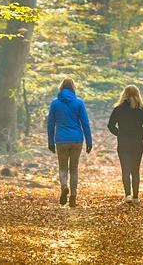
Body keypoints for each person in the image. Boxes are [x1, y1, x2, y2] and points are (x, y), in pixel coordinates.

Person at [46, 78, 93, 208]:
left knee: (62, 167)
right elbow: (85, 123)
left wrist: (50, 141)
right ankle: (73, 196)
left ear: (61, 88)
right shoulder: (79, 103)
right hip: (77, 139)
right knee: (74, 169)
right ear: (73, 88)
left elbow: (50, 124)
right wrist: (89, 141)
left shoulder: (55, 103)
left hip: (61, 139)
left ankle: (64, 187)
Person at [107, 85, 143, 204]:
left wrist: (119, 134)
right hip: (137, 143)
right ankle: (136, 197)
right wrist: (141, 133)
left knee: (125, 169)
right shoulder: (142, 108)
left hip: (123, 142)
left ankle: (127, 195)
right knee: (135, 170)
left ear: (124, 94)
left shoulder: (118, 108)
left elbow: (110, 125)